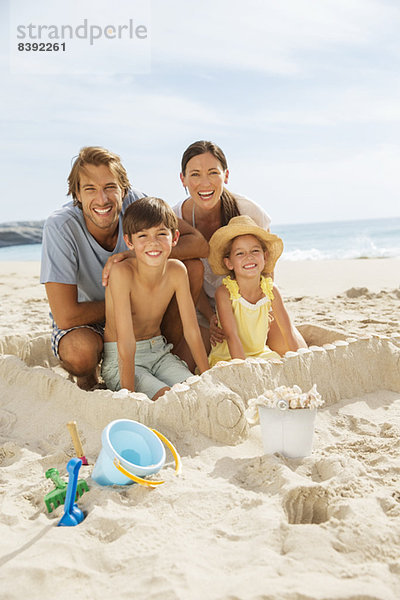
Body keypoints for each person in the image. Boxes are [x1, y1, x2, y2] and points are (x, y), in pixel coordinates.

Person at [40, 146, 207, 390]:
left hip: (141, 316)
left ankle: (165, 354)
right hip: (87, 316)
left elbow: (199, 244)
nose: (102, 199)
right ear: (76, 194)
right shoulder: (60, 226)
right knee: (80, 351)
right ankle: (89, 380)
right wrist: (124, 302)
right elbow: (66, 316)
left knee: (190, 268)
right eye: (90, 189)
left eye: (110, 187)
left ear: (123, 189)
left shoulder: (136, 205)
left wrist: (133, 253)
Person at [173, 140, 306, 361]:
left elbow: (267, 262)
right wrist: (211, 316)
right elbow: (187, 274)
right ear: (183, 179)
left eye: (213, 172)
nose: (204, 183)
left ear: (225, 175)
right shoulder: (174, 218)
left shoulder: (249, 211)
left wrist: (264, 304)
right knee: (191, 363)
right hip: (205, 310)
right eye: (195, 174)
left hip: (252, 300)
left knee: (293, 349)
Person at [101, 197, 209, 400]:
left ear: (174, 237)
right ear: (129, 242)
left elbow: (191, 330)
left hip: (160, 353)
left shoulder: (177, 270)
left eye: (161, 234)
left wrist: (208, 376)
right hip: (122, 359)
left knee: (195, 392)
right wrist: (129, 395)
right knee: (167, 397)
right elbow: (125, 341)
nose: (153, 242)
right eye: (143, 236)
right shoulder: (121, 273)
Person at [207, 215, 306, 367]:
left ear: (265, 257)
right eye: (240, 253)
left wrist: (300, 362)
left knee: (279, 364)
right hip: (231, 357)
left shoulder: (271, 290)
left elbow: (287, 331)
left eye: (255, 251)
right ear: (229, 263)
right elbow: (232, 336)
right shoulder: (224, 293)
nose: (249, 257)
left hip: (260, 353)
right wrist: (246, 371)